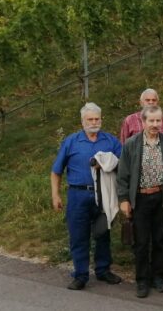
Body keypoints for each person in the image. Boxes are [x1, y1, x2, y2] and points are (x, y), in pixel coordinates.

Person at [50, 102, 123, 290]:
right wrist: (55, 195)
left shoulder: (111, 141)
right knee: (78, 236)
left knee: (103, 233)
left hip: (103, 194)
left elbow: (123, 164)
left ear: (101, 119)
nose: (93, 122)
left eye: (97, 118)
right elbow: (56, 170)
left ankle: (103, 270)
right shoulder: (71, 141)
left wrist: (107, 163)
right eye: (90, 119)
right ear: (82, 121)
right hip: (78, 195)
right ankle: (80, 275)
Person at [116, 106, 163, 298]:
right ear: (143, 122)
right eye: (151, 121)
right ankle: (142, 280)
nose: (155, 125)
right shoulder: (131, 144)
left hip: (162, 198)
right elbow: (122, 175)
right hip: (141, 199)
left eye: (158, 121)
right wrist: (124, 199)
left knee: (160, 240)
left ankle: (158, 277)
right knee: (142, 242)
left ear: (162, 122)